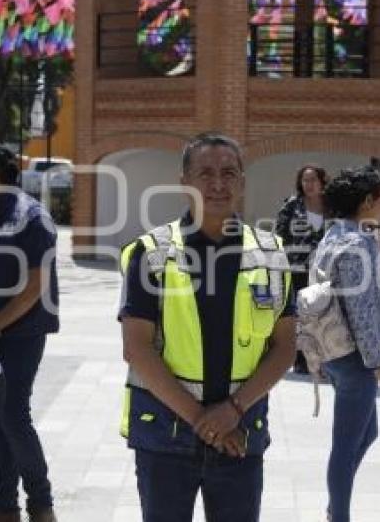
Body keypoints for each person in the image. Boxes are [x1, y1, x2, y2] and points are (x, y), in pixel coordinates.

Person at [119, 132, 295, 522]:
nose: (218, 184)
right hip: (165, 436)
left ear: (243, 182)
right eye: (205, 173)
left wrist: (233, 410)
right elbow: (137, 349)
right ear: (184, 182)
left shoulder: (271, 253)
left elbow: (285, 348)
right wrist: (205, 421)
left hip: (241, 435)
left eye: (229, 173)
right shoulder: (152, 253)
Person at [0, 145, 58, 522]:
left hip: (21, 332)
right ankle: (4, 504)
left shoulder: (31, 217)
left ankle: (41, 503)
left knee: (13, 413)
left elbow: (37, 285)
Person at [310, 165, 380, 522]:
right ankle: (337, 514)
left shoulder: (334, 235)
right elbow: (359, 308)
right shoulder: (357, 243)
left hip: (332, 348)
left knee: (367, 432)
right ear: (366, 202)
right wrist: (375, 363)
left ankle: (335, 506)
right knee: (345, 447)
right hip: (353, 356)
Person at [275, 164, 328, 374]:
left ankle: (322, 358)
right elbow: (279, 234)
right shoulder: (291, 205)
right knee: (299, 315)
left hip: (324, 269)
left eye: (313, 179)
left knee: (322, 315)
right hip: (296, 268)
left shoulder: (332, 206)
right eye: (305, 180)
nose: (309, 184)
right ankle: (301, 359)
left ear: (322, 182)